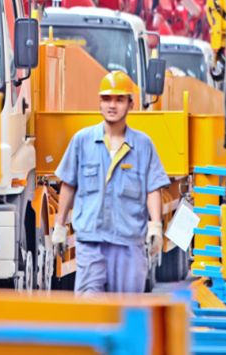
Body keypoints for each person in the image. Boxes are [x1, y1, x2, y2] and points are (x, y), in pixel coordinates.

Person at [50, 70, 171, 294]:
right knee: (89, 306)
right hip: (91, 244)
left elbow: (152, 188)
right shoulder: (82, 141)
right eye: (106, 99)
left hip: (129, 246)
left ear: (131, 104)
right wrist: (59, 226)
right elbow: (68, 185)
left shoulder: (143, 145)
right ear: (99, 103)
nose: (112, 105)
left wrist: (155, 225)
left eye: (119, 99)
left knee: (125, 309)